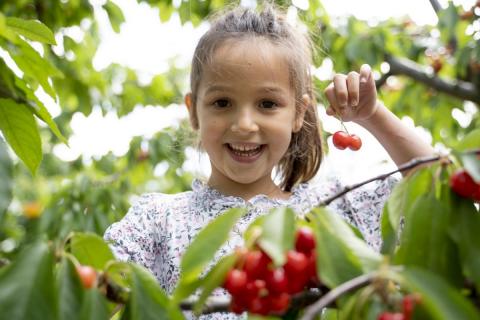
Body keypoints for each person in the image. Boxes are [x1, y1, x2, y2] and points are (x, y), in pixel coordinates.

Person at [104, 3, 434, 319]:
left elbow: (438, 194)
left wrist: (373, 115)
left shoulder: (333, 212)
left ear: (298, 113)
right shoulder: (158, 221)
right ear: (193, 112)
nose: (245, 124)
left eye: (266, 103)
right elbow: (84, 297)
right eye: (222, 103)